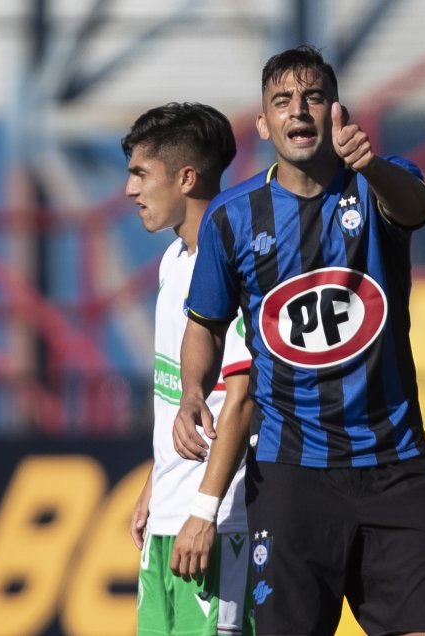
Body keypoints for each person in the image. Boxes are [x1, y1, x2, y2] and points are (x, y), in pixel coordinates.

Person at [174, 45, 425, 636]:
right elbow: (203, 323)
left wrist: (372, 166)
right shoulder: (232, 217)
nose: (298, 111)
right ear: (263, 123)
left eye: (313, 97)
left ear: (337, 110)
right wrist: (190, 391)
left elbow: (415, 209)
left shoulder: (384, 183)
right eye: (282, 101)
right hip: (291, 476)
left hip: (396, 466)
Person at [123, 102, 255, 636]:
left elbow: (242, 401)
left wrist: (204, 511)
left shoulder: (239, 264)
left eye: (140, 173)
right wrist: (156, 484)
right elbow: (183, 391)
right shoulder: (172, 261)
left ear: (186, 177)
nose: (129, 190)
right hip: (167, 527)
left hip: (219, 528)